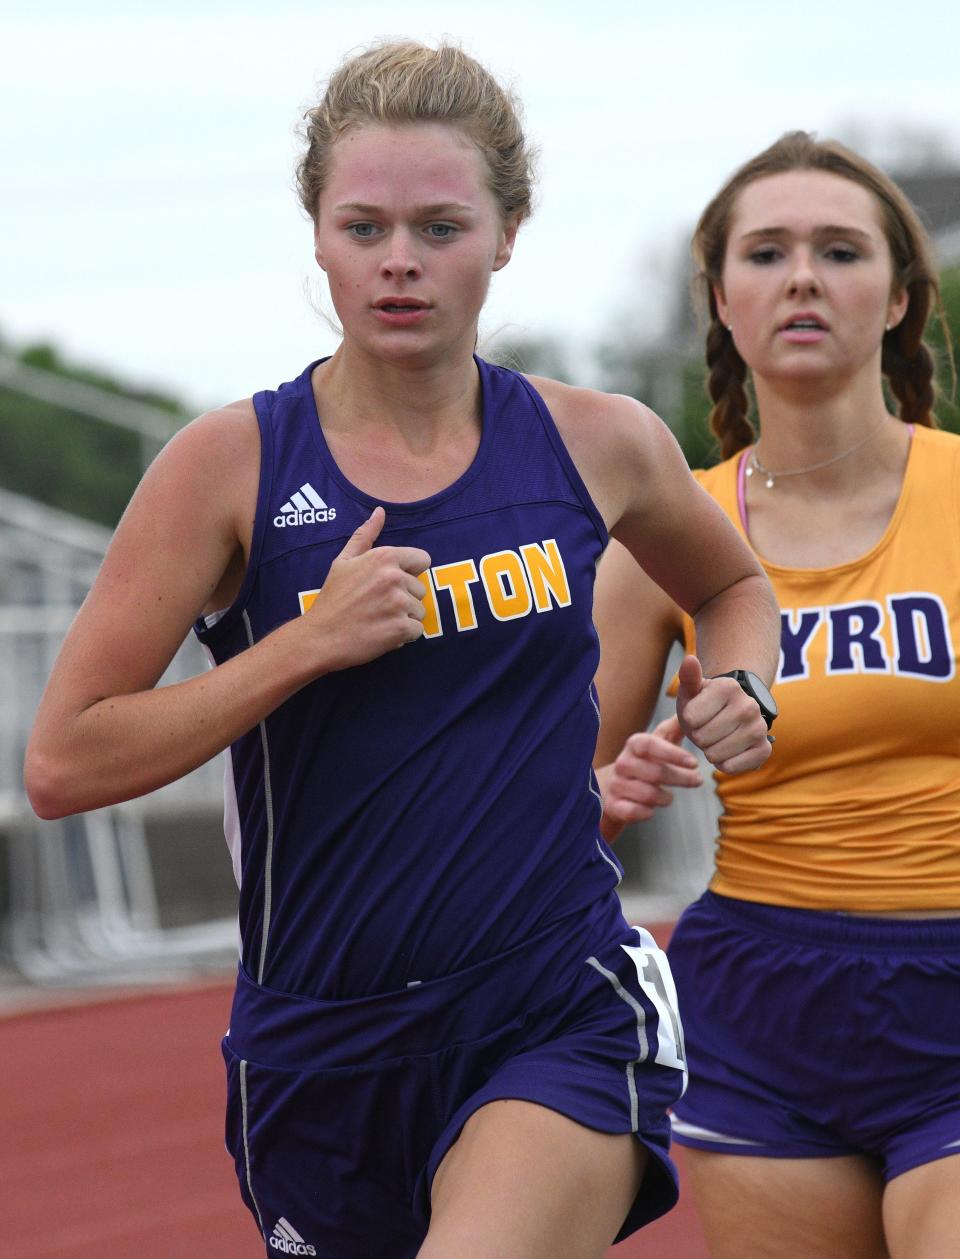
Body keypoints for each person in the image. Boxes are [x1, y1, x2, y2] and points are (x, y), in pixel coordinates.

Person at [24, 41, 780, 1259]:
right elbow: (62, 762)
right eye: (363, 226)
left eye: (439, 226)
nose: (399, 263)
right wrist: (302, 646)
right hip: (319, 1044)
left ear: (507, 231)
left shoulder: (599, 441)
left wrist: (747, 685)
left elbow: (735, 582)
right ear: (317, 235)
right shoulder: (232, 466)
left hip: (555, 998)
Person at [593, 131, 960, 1259]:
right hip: (758, 999)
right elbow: (558, 799)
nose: (802, 275)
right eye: (767, 252)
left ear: (897, 296)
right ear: (721, 296)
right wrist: (620, 782)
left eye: (840, 250)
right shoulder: (661, 536)